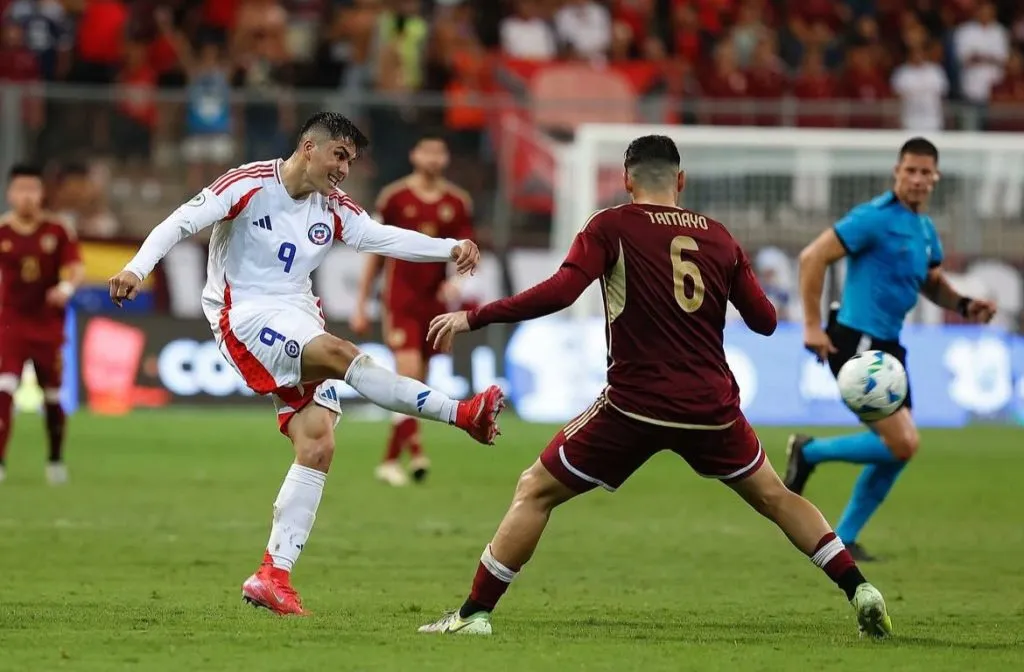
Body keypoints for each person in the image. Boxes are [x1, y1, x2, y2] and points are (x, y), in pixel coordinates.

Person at [417, 135, 892, 638]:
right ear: (680, 181)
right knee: (776, 497)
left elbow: (560, 291)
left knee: (535, 490)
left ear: (626, 180)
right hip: (713, 408)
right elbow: (767, 322)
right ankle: (860, 588)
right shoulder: (719, 237)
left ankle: (473, 616)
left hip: (634, 407)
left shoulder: (610, 225)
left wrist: (477, 316)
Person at [107, 112, 505, 616]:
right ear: (309, 147)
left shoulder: (333, 207)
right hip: (243, 314)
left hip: (297, 310)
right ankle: (462, 414)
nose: (344, 169)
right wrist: (136, 268)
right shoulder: (249, 184)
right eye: (339, 155)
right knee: (342, 355)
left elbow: (380, 237)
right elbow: (181, 221)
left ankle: (273, 575)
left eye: (351, 161)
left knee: (317, 442)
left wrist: (451, 248)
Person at [787, 137, 996, 561]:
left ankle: (843, 534)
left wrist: (964, 305)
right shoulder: (873, 218)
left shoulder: (924, 229)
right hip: (857, 342)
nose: (917, 179)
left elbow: (931, 282)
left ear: (935, 177)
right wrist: (811, 325)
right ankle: (809, 452)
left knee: (902, 448)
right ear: (896, 173)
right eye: (910, 170)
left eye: (925, 172)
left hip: (889, 351)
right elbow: (813, 257)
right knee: (903, 443)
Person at [351, 132, 473, 487]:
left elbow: (464, 251)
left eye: (440, 152)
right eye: (427, 151)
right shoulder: (394, 197)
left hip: (434, 306)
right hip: (400, 300)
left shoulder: (457, 202)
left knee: (419, 384)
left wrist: (457, 283)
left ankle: (390, 460)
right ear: (414, 155)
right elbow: (375, 252)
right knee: (406, 374)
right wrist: (361, 304)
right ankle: (416, 452)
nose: (433, 159)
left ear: (446, 158)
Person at [0, 164, 84, 485]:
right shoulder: (3, 232)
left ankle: (55, 459)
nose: (26, 197)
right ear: (10, 193)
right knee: (5, 387)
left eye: (32, 190)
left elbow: (75, 267)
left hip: (48, 325)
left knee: (52, 395)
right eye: (21, 190)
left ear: (41, 193)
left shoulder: (57, 230)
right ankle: (0, 462)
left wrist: (65, 288)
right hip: (11, 324)